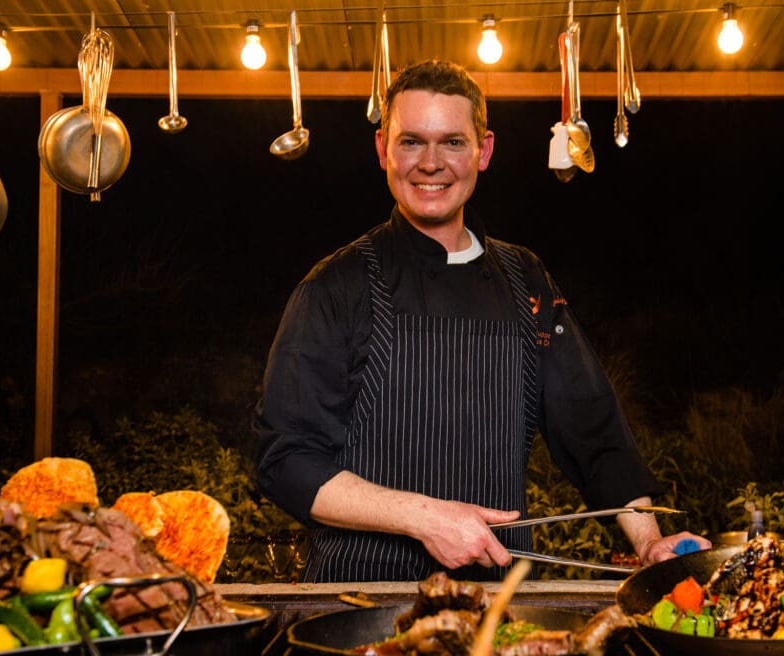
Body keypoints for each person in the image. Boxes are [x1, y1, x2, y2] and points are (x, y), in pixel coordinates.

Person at [253, 60, 709, 582]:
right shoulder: (336, 287)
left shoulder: (525, 278)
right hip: (360, 601)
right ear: (382, 149)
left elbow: (592, 429)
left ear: (483, 151)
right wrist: (423, 519)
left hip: (497, 607)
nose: (430, 163)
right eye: (410, 142)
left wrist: (649, 543)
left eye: (452, 142)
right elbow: (285, 460)